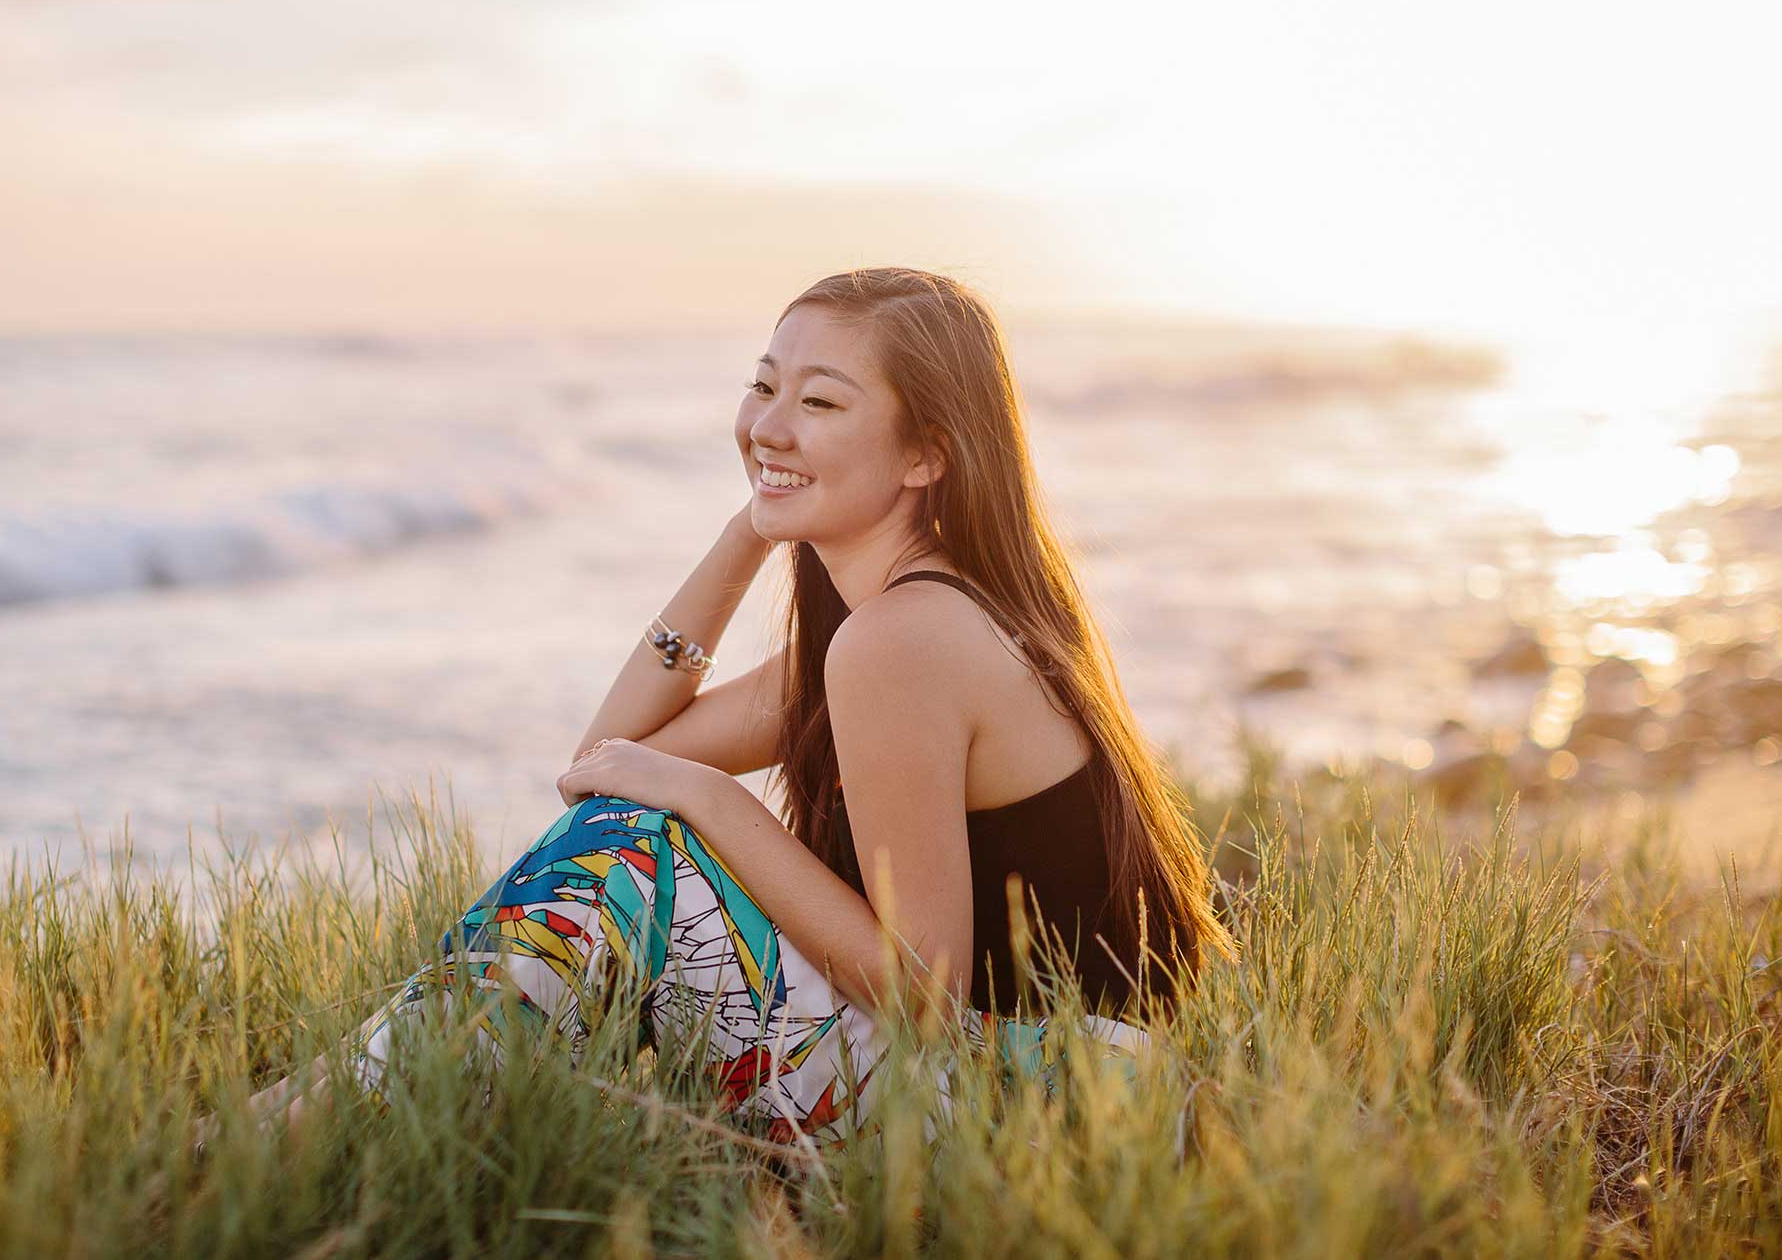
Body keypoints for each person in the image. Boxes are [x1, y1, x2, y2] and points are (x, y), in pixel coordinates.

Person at [235, 267, 1236, 1147]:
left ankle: (316, 1121)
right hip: (1062, 1081)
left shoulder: (901, 641)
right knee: (621, 828)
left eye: (822, 402)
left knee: (630, 853)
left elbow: (922, 988)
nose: (769, 422)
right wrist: (750, 530)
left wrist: (715, 802)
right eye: (764, 386)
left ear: (926, 454)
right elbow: (607, 756)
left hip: (1051, 1106)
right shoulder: (901, 622)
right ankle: (339, 1105)